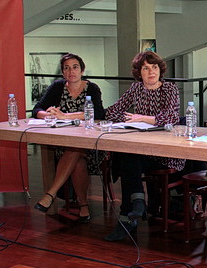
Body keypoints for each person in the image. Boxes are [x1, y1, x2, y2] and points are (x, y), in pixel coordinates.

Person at [103, 51, 184, 242]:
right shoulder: (136, 88)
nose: (151, 72)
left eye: (154, 67)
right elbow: (112, 111)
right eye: (145, 68)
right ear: (139, 72)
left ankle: (130, 215)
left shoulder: (170, 89)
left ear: (160, 70)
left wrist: (142, 118)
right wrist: (128, 118)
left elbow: (171, 118)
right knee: (127, 154)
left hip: (166, 153)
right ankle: (137, 202)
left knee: (127, 159)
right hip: (141, 151)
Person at [33, 53, 106, 222]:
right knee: (75, 154)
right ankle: (83, 206)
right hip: (65, 145)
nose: (71, 71)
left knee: (76, 149)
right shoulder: (57, 87)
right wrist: (49, 116)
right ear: (63, 72)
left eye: (75, 67)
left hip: (92, 146)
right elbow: (37, 109)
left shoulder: (92, 88)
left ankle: (50, 194)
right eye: (66, 68)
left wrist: (65, 116)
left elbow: (99, 113)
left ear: (82, 70)